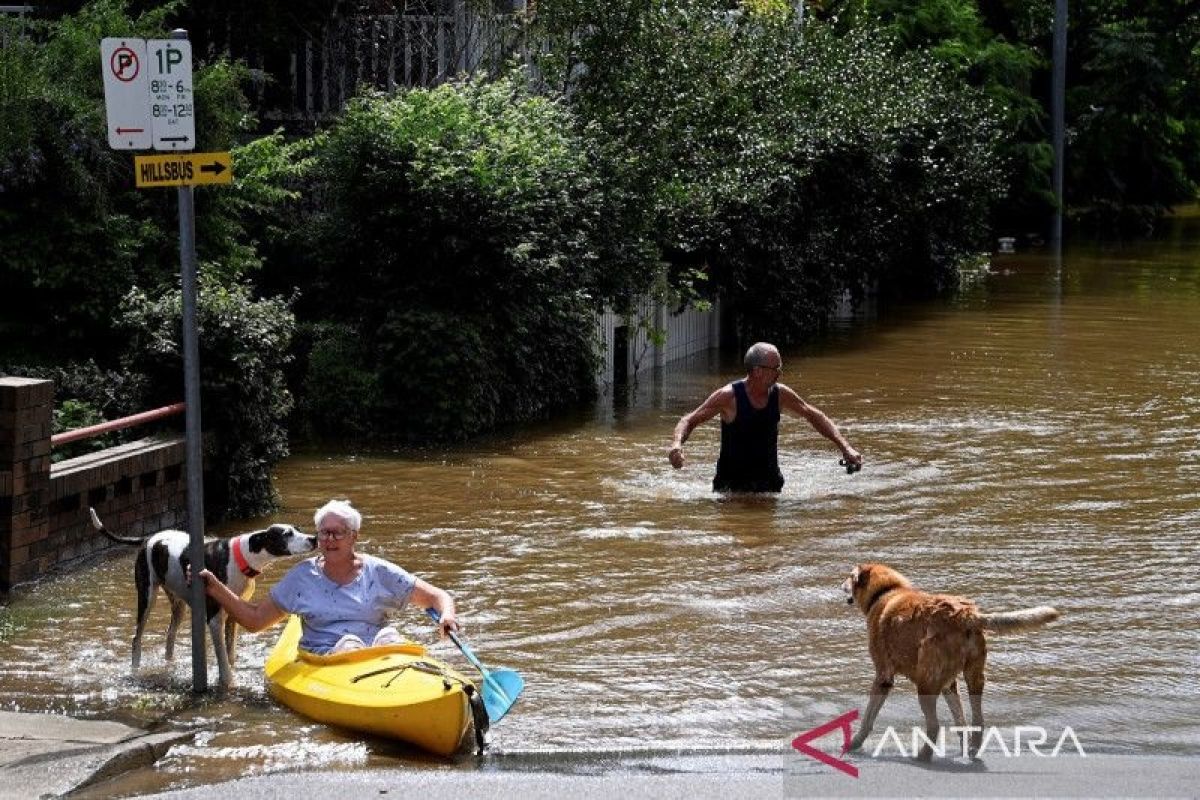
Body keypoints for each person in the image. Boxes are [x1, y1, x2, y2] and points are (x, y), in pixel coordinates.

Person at [197, 498, 458, 654]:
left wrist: (447, 615)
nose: (329, 540)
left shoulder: (378, 571)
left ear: (354, 536)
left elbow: (436, 597)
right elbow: (255, 621)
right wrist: (216, 588)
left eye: (338, 533)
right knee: (348, 643)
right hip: (329, 658)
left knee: (388, 639)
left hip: (380, 655)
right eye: (324, 533)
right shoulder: (301, 578)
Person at [668, 342, 863, 493]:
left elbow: (813, 415)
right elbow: (690, 419)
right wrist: (677, 445)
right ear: (757, 370)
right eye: (775, 368)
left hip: (769, 485)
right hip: (731, 488)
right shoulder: (729, 396)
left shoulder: (780, 394)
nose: (780, 373)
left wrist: (845, 447)